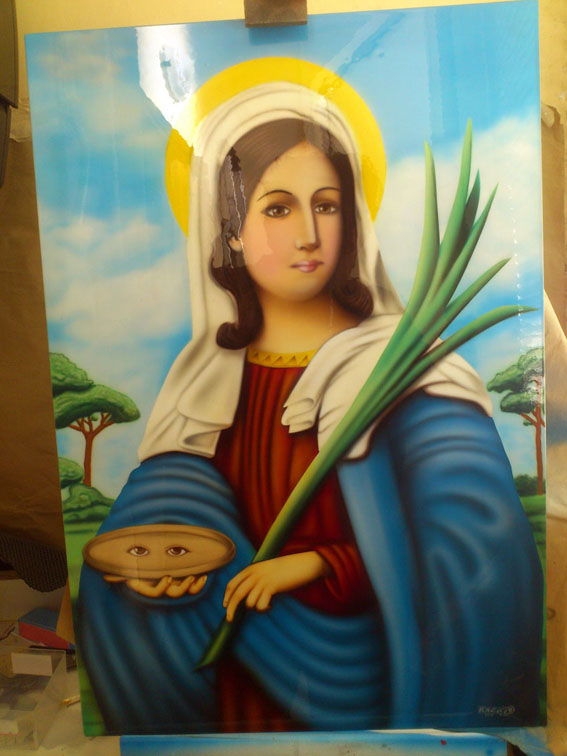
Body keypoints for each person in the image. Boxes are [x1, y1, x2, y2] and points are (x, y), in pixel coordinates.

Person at [77, 81, 543, 736]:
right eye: (277, 208)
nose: (308, 233)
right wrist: (161, 561)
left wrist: (324, 564)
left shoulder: (409, 371)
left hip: (376, 681)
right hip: (238, 691)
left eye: (326, 205)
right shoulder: (203, 384)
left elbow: (467, 540)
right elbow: (164, 511)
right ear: (230, 230)